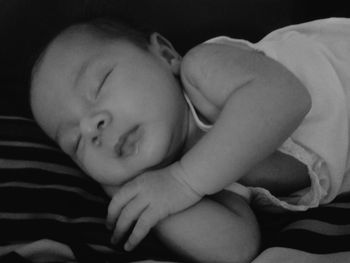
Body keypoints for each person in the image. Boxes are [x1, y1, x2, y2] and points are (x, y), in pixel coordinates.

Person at [29, 17, 350, 262]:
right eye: (75, 142)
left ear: (166, 55)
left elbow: (286, 99)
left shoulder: (203, 72)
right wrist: (140, 193)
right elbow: (235, 248)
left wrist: (184, 182)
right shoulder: (198, 179)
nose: (91, 127)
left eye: (100, 84)